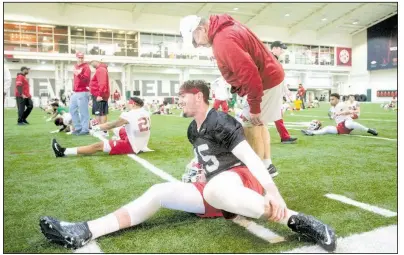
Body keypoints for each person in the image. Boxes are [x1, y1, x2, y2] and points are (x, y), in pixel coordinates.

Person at [40, 81, 336, 252]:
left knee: (217, 187)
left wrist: (273, 192)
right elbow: (205, 163)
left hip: (239, 180)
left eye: (183, 96)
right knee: (159, 190)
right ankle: (85, 230)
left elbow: (250, 158)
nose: (178, 100)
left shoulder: (221, 120)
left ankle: (303, 222)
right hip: (214, 188)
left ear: (198, 96)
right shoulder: (193, 131)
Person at [179, 14, 285, 176]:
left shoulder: (223, 40)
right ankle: (266, 165)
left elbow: (249, 73)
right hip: (270, 77)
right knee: (259, 124)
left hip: (264, 82)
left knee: (250, 126)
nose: (197, 45)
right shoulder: (226, 28)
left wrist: (255, 104)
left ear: (200, 29)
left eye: (195, 40)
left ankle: (256, 174)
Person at [51, 97, 151, 157]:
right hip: (141, 142)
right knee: (120, 129)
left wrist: (96, 127)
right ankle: (116, 137)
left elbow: (111, 124)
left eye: (129, 102)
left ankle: (63, 151)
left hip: (132, 145)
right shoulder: (146, 112)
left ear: (133, 103)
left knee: (98, 146)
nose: (127, 103)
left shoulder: (130, 114)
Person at [301, 93, 378, 136]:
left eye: (333, 99)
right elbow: (332, 117)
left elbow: (349, 111)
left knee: (349, 124)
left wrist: (340, 113)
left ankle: (369, 130)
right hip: (340, 127)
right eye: (330, 99)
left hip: (346, 123)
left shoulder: (342, 104)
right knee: (327, 128)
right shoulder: (331, 108)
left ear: (337, 99)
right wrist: (332, 116)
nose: (331, 101)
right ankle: (311, 132)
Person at [70, 52, 91, 135]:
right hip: (75, 92)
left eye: (82, 57)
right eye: (79, 57)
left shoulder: (86, 67)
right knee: (72, 110)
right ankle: (78, 128)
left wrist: (78, 75)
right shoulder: (75, 66)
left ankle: (85, 129)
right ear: (76, 58)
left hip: (83, 91)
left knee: (83, 112)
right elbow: (75, 80)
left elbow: (86, 80)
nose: (81, 59)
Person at [90, 59, 110, 136]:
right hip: (99, 94)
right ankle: (102, 130)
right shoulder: (101, 69)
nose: (91, 64)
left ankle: (103, 131)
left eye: (92, 62)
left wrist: (100, 95)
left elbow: (102, 83)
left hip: (100, 95)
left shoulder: (101, 69)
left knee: (100, 113)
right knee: (100, 113)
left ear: (97, 61)